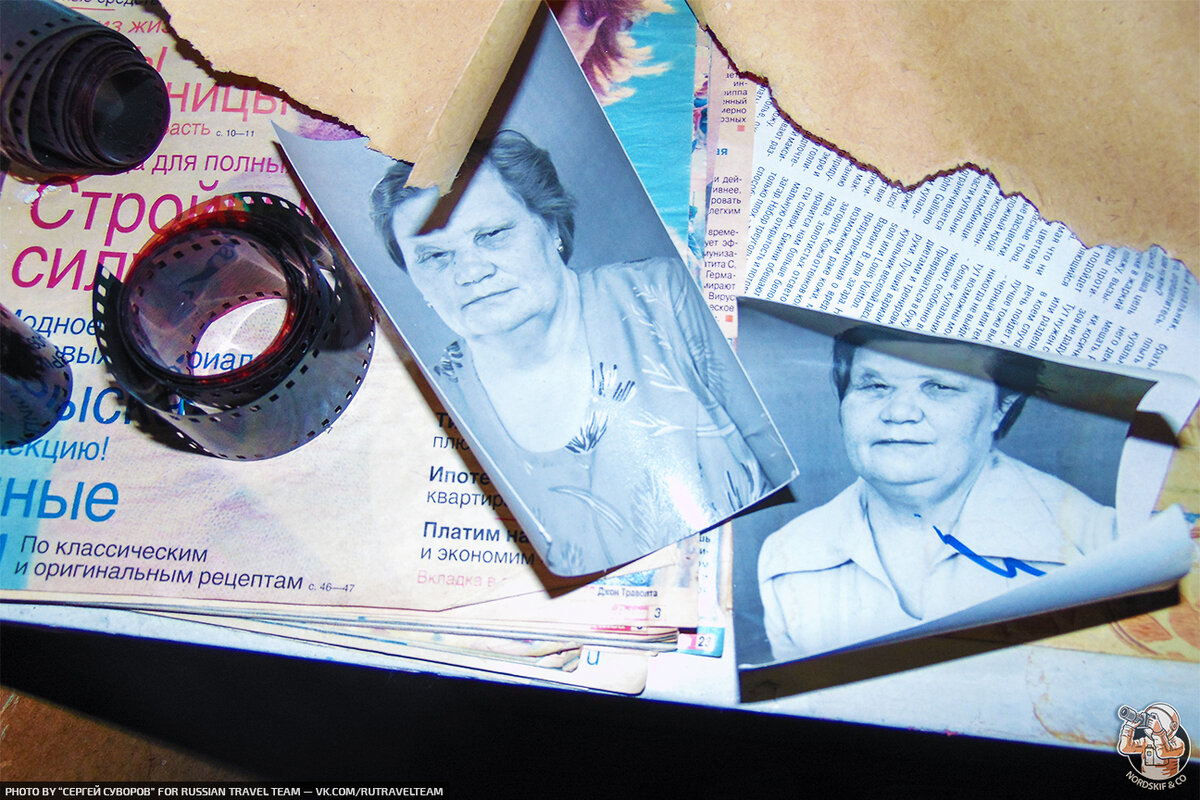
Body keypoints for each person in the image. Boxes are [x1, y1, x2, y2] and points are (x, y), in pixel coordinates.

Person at [371, 130, 790, 576]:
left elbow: (784, 468)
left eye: (492, 234)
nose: (470, 271)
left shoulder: (667, 297)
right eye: (435, 257)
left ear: (551, 225)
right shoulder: (433, 402)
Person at [758, 326, 1117, 661]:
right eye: (875, 386)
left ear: (1001, 408)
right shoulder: (789, 556)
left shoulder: (1099, 545)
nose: (899, 412)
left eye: (940, 386)